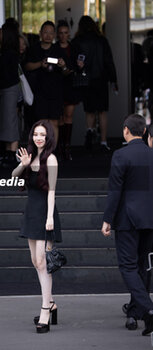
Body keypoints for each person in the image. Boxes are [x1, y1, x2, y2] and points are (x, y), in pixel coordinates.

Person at [101, 114, 153, 336]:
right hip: (150, 219)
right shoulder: (151, 155)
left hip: (127, 219)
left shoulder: (120, 155)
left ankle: (149, 309)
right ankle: (135, 310)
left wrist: (107, 219)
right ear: (143, 132)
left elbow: (115, 191)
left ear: (125, 131)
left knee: (128, 267)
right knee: (142, 266)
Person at [12, 120, 62, 333]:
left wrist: (49, 218)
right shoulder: (29, 157)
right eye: (35, 134)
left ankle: (45, 310)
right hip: (31, 212)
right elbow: (14, 178)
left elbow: (51, 191)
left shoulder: (51, 159)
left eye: (42, 134)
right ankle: (51, 303)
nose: (38, 137)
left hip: (44, 213)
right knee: (35, 261)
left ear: (49, 136)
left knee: (42, 261)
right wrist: (23, 163)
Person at [72, 15, 118, 152]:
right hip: (102, 79)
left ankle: (90, 132)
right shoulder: (102, 40)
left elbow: (74, 61)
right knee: (102, 112)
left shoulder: (77, 41)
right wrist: (114, 79)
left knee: (90, 111)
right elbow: (109, 61)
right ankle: (103, 142)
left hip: (87, 81)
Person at [25, 21, 68, 144]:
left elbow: (66, 72)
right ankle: (42, 152)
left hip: (56, 91)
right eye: (45, 32)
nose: (48, 35)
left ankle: (51, 152)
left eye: (51, 33)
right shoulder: (34, 49)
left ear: (54, 35)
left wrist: (63, 66)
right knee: (42, 123)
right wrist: (40, 64)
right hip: (39, 91)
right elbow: (27, 67)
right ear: (40, 33)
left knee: (54, 122)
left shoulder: (58, 50)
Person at [0, 21, 21, 167]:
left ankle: (12, 154)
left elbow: (3, 73)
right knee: (8, 121)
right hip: (8, 89)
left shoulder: (8, 54)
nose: (0, 35)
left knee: (10, 121)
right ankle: (9, 153)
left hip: (10, 89)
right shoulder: (9, 52)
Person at [56, 20, 81, 160]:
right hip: (57, 85)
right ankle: (60, 147)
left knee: (68, 116)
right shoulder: (54, 48)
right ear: (57, 34)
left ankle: (66, 146)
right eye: (61, 33)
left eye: (66, 33)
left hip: (71, 84)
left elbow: (79, 66)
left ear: (69, 33)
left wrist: (80, 66)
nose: (63, 36)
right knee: (59, 118)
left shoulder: (74, 47)